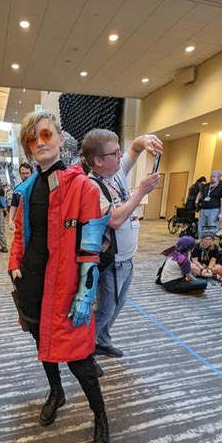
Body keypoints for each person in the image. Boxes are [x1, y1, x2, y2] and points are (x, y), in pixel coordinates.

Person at [8, 110, 110, 443]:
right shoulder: (27, 187)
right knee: (42, 344)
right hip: (33, 285)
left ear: (62, 139)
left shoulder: (82, 186)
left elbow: (92, 244)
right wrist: (14, 265)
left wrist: (86, 292)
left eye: (46, 135)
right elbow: (21, 233)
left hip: (68, 290)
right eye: (32, 140)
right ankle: (56, 392)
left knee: (80, 360)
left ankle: (101, 420)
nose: (39, 143)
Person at [81, 129, 162, 358]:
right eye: (115, 153)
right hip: (112, 263)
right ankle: (83, 351)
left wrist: (144, 141)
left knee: (116, 305)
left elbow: (135, 148)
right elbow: (115, 220)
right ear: (98, 160)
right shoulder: (91, 187)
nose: (120, 156)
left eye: (119, 151)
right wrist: (141, 191)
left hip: (126, 258)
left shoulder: (115, 172)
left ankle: (102, 340)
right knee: (105, 309)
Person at [196, 171, 222, 238]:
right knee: (201, 226)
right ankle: (201, 241)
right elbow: (200, 193)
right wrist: (197, 201)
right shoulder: (207, 185)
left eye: (214, 176)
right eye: (211, 176)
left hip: (213, 210)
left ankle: (208, 242)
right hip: (203, 209)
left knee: (210, 228)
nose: (212, 178)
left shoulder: (221, 187)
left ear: (218, 178)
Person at [9, 163, 33, 230]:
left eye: (27, 173)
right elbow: (14, 205)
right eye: (23, 173)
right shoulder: (17, 190)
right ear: (20, 175)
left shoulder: (37, 186)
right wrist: (10, 219)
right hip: (22, 221)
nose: (25, 175)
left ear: (31, 173)